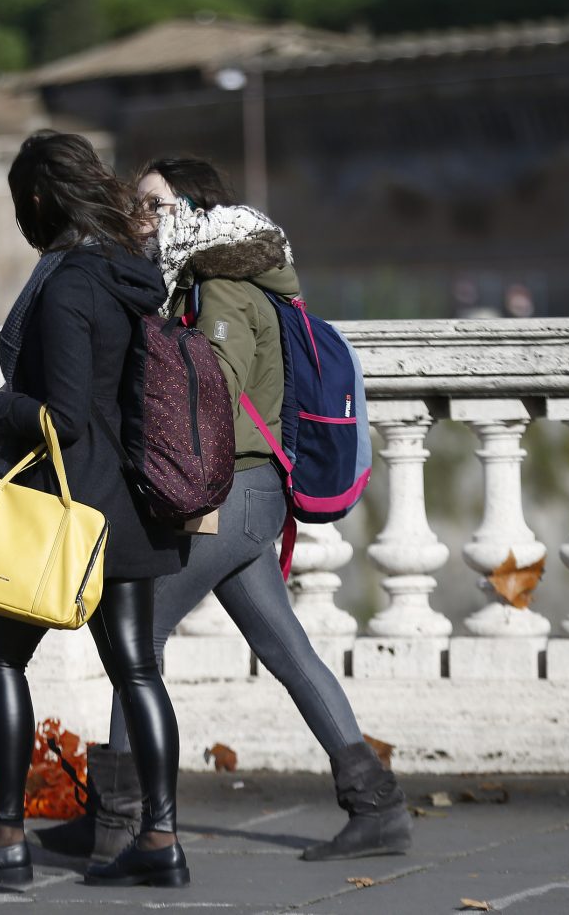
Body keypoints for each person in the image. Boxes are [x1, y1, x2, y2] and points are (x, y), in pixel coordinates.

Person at [32, 158, 412, 864]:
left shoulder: (225, 283)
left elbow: (210, 390)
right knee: (286, 649)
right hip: (241, 496)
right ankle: (375, 801)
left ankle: (119, 817)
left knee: (136, 636)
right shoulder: (196, 280)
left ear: (191, 209)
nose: (139, 216)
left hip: (235, 495)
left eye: (152, 203)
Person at [0, 132, 190, 890]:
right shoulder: (132, 275)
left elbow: (63, 416)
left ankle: (6, 834)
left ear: (38, 199)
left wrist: (1, 405)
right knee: (137, 669)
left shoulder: (69, 284)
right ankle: (160, 837)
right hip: (131, 508)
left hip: (70, 515)